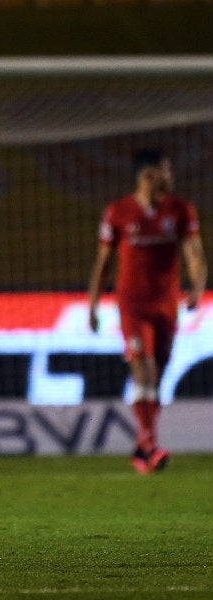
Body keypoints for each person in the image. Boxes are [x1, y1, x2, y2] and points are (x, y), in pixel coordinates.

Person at [88, 148, 207, 475]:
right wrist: (93, 303)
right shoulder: (118, 212)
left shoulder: (181, 210)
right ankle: (150, 447)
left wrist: (196, 289)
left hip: (167, 305)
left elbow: (195, 254)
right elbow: (104, 262)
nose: (170, 177)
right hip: (133, 305)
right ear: (148, 176)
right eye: (165, 171)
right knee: (145, 373)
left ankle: (143, 447)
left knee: (158, 377)